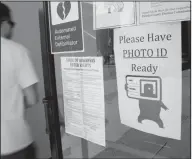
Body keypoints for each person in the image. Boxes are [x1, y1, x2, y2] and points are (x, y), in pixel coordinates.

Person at [1, 3, 39, 159]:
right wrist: (13, 103)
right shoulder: (16, 51)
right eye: (12, 24)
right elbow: (32, 98)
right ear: (4, 23)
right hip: (15, 144)